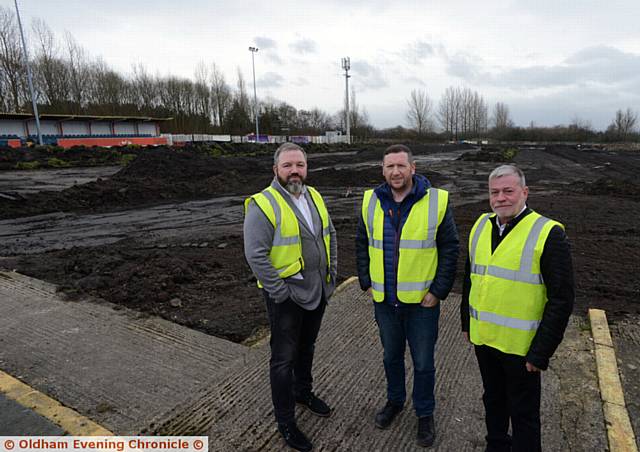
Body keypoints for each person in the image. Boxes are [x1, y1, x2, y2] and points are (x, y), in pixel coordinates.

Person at [460, 164, 574, 452]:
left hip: (523, 348)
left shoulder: (548, 233)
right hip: (485, 339)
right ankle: (496, 444)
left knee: (524, 413)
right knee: (493, 400)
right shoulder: (481, 225)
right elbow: (471, 278)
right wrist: (466, 323)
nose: (501, 198)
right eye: (494, 192)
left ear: (524, 192)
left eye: (508, 191)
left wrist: (541, 352)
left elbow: (562, 300)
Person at [356, 144, 459, 447]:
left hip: (422, 305)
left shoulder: (435, 201)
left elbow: (450, 249)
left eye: (401, 166)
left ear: (413, 168)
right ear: (383, 169)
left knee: (424, 362)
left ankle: (424, 413)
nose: (395, 172)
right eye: (390, 166)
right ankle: (395, 401)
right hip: (385, 302)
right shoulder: (370, 201)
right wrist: (366, 281)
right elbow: (362, 243)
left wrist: (438, 291)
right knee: (391, 357)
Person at [243, 142, 337, 452]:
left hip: (317, 290)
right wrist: (280, 292)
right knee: (283, 359)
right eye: (288, 165)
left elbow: (330, 234)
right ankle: (285, 420)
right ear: (276, 170)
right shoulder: (263, 204)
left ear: (306, 168)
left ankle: (303, 392)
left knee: (307, 347)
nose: (295, 170)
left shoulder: (314, 196)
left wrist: (331, 275)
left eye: (300, 164)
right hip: (285, 297)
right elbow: (255, 254)